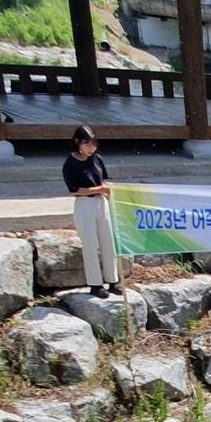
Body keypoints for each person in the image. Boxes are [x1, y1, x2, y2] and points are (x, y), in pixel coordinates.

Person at [63, 124, 122, 299]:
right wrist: (97, 189)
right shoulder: (70, 163)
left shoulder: (97, 159)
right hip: (84, 204)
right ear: (77, 143)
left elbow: (105, 180)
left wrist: (107, 193)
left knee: (108, 242)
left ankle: (113, 280)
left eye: (93, 144)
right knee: (90, 244)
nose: (91, 148)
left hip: (101, 202)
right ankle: (95, 284)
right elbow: (75, 190)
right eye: (87, 145)